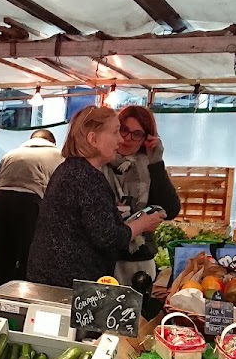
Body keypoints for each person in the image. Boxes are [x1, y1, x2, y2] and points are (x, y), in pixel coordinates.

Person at [26, 107, 166, 288]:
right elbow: (107, 237)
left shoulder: (74, 170)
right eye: (116, 132)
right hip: (65, 283)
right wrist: (142, 224)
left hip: (56, 279)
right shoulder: (85, 177)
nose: (121, 139)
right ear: (93, 139)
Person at [102, 106, 181, 285]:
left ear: (147, 139)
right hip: (104, 259)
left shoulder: (148, 167)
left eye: (137, 134)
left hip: (139, 261)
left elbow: (170, 209)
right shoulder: (100, 162)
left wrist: (157, 162)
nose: (127, 138)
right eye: (124, 130)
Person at [0, 129, 63, 285]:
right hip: (30, 203)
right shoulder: (59, 155)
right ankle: (25, 299)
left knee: (0, 259)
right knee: (28, 258)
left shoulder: (11, 154)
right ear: (52, 142)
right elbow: (58, 193)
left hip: (1, 201)